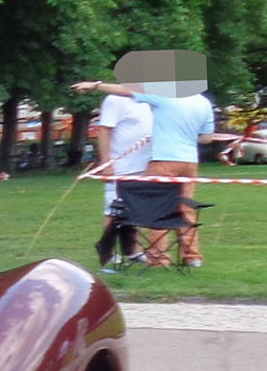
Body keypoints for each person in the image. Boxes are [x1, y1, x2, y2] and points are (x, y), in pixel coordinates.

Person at [75, 54, 217, 267]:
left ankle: (159, 258)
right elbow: (207, 138)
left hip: (163, 159)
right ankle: (192, 256)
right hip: (190, 162)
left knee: (157, 208)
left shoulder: (166, 96)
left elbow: (125, 91)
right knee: (185, 207)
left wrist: (95, 85)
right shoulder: (203, 102)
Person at [92, 91, 152, 269]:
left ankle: (132, 249)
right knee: (113, 209)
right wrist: (106, 162)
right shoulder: (114, 100)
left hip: (145, 165)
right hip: (121, 165)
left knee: (139, 208)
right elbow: (104, 130)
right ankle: (108, 250)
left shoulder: (148, 99)